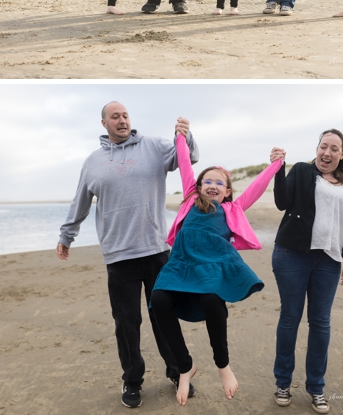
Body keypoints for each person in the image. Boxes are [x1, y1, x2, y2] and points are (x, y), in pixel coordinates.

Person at [57, 103, 198, 408]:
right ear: (104, 122)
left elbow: (189, 157)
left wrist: (185, 136)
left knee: (164, 318)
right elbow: (80, 201)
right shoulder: (93, 162)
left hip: (157, 250)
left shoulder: (154, 147)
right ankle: (132, 380)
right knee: (126, 323)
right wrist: (67, 235)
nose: (122, 121)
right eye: (115, 117)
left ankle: (177, 372)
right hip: (118, 256)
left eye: (125, 116)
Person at [152, 133, 282, 404]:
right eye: (207, 181)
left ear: (227, 191)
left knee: (212, 301)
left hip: (212, 265)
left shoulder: (234, 209)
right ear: (198, 187)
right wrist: (180, 137)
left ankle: (223, 365)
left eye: (219, 183)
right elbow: (185, 164)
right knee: (158, 300)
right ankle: (185, 366)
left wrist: (276, 165)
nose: (212, 186)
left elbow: (257, 187)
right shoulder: (190, 201)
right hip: (182, 264)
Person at [271, 129, 343, 413]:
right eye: (324, 146)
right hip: (292, 255)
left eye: (334, 148)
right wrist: (277, 168)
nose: (327, 153)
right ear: (317, 148)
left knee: (321, 323)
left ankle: (316, 388)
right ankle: (283, 383)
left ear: (342, 154)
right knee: (290, 318)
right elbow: (281, 202)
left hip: (330, 260)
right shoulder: (301, 171)